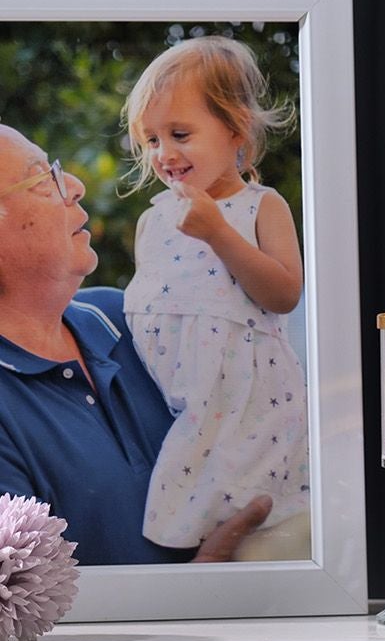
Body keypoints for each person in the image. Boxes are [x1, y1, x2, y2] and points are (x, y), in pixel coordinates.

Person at [0, 124, 270, 565]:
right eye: (42, 179)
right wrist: (208, 580)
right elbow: (25, 598)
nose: (74, 186)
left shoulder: (124, 316)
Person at [122, 37, 310, 557]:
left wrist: (219, 234)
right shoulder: (153, 220)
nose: (164, 154)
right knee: (186, 527)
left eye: (180, 134)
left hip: (249, 405)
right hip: (180, 407)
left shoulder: (260, 206)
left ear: (235, 129)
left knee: (258, 520)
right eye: (152, 140)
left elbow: (284, 294)